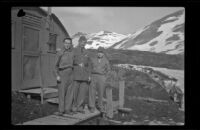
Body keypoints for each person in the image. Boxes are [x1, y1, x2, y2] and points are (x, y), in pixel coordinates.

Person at [54, 37, 75, 115]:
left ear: (71, 44)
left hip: (71, 74)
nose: (67, 45)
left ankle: (67, 109)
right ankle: (61, 111)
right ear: (63, 43)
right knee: (62, 93)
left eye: (69, 43)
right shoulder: (59, 53)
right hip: (62, 73)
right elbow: (55, 66)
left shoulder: (72, 53)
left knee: (70, 93)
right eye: (66, 43)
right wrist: (57, 75)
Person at [72, 35, 92, 113]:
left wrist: (89, 75)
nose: (83, 44)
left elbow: (90, 65)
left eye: (85, 43)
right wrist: (77, 63)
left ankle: (79, 107)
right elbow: (70, 61)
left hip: (84, 75)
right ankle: (73, 107)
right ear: (79, 42)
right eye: (82, 42)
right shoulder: (73, 50)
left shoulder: (87, 52)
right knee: (74, 92)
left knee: (82, 92)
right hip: (76, 74)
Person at [88, 47, 111, 113]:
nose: (100, 54)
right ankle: (92, 106)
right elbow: (89, 68)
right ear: (97, 53)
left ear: (103, 54)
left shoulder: (106, 60)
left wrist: (105, 77)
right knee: (92, 92)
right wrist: (89, 76)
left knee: (101, 92)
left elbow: (108, 70)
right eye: (99, 52)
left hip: (101, 77)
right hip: (93, 76)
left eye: (101, 52)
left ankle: (100, 106)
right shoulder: (93, 59)